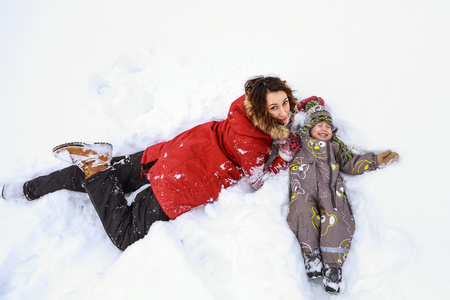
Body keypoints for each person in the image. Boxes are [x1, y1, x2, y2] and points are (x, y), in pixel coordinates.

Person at [1, 76, 319, 251]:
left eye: (285, 103)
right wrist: (285, 157)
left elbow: (280, 116)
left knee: (105, 174)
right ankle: (96, 167)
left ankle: (28, 189)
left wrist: (300, 109)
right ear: (259, 108)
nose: (282, 112)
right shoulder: (251, 143)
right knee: (125, 235)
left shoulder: (242, 108)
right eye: (274, 107)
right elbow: (258, 180)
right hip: (184, 179)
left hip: (172, 152)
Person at [287, 100, 399, 294]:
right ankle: (311, 255)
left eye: (328, 126)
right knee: (302, 213)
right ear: (309, 128)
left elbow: (351, 164)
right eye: (319, 125)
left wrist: (375, 160)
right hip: (303, 190)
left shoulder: (335, 147)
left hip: (330, 192)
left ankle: (333, 267)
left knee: (337, 219)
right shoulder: (299, 142)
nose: (324, 129)